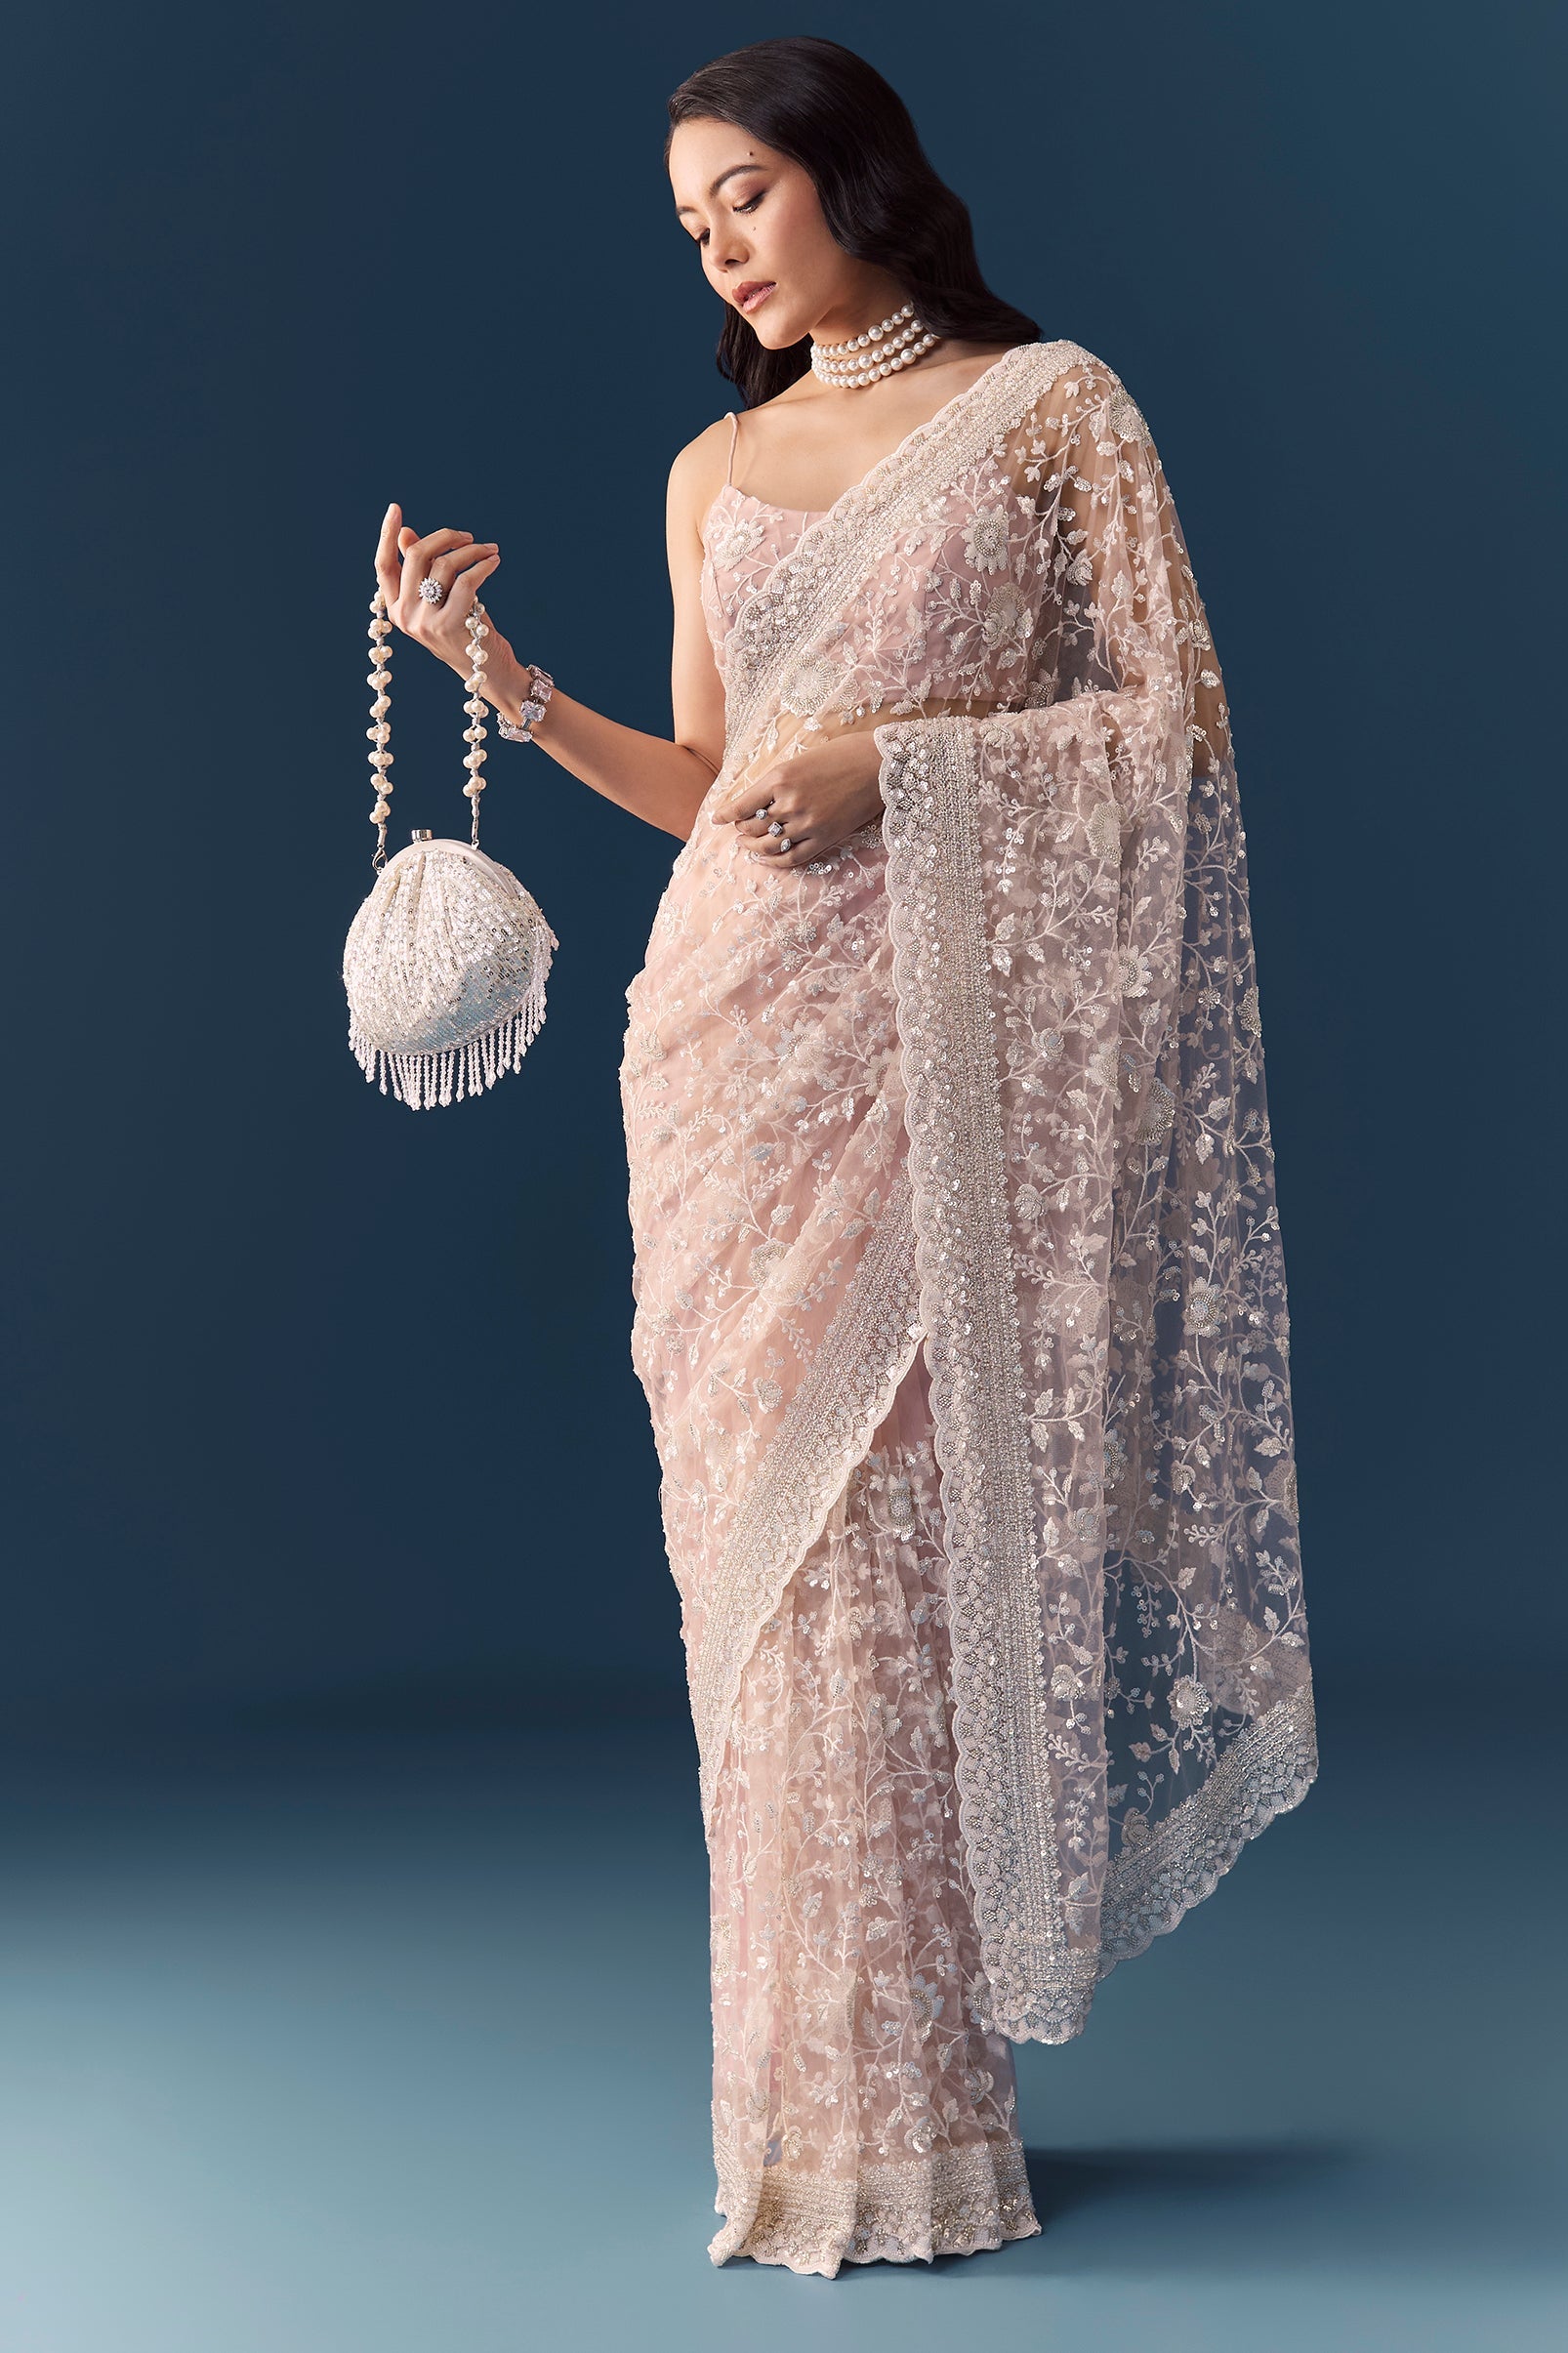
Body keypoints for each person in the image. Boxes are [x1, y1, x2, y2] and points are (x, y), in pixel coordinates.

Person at [372, 33, 1318, 2282]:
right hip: (731, 1061)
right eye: (688, 221)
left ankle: (921, 2128)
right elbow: (714, 783)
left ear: (853, 178)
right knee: (763, 1599)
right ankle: (796, 2129)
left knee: (890, 1560)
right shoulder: (713, 470)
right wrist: (498, 675)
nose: (718, 247)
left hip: (935, 1061)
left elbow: (1173, 725)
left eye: (746, 197)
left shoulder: (1051, 409)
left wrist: (904, 762)